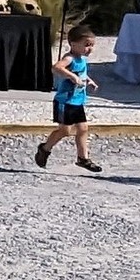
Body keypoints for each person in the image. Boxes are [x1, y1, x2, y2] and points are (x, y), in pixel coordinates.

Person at [35, 24, 102, 173]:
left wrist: (88, 81)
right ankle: (45, 148)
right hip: (64, 101)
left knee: (83, 128)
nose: (89, 49)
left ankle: (83, 158)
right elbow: (56, 68)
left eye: (92, 45)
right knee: (65, 131)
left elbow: (81, 74)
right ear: (73, 44)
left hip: (77, 100)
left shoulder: (82, 59)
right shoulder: (69, 58)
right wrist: (71, 76)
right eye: (86, 45)